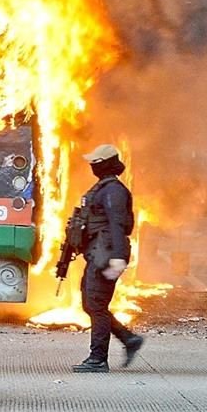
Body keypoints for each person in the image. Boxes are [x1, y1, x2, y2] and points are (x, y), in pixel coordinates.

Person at [72, 143, 144, 373]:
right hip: (97, 253)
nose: (93, 166)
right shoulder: (102, 188)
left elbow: (117, 224)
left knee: (97, 305)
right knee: (90, 304)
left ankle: (98, 359)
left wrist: (118, 258)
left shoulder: (113, 191)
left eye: (97, 162)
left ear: (107, 163)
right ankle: (129, 339)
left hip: (107, 254)